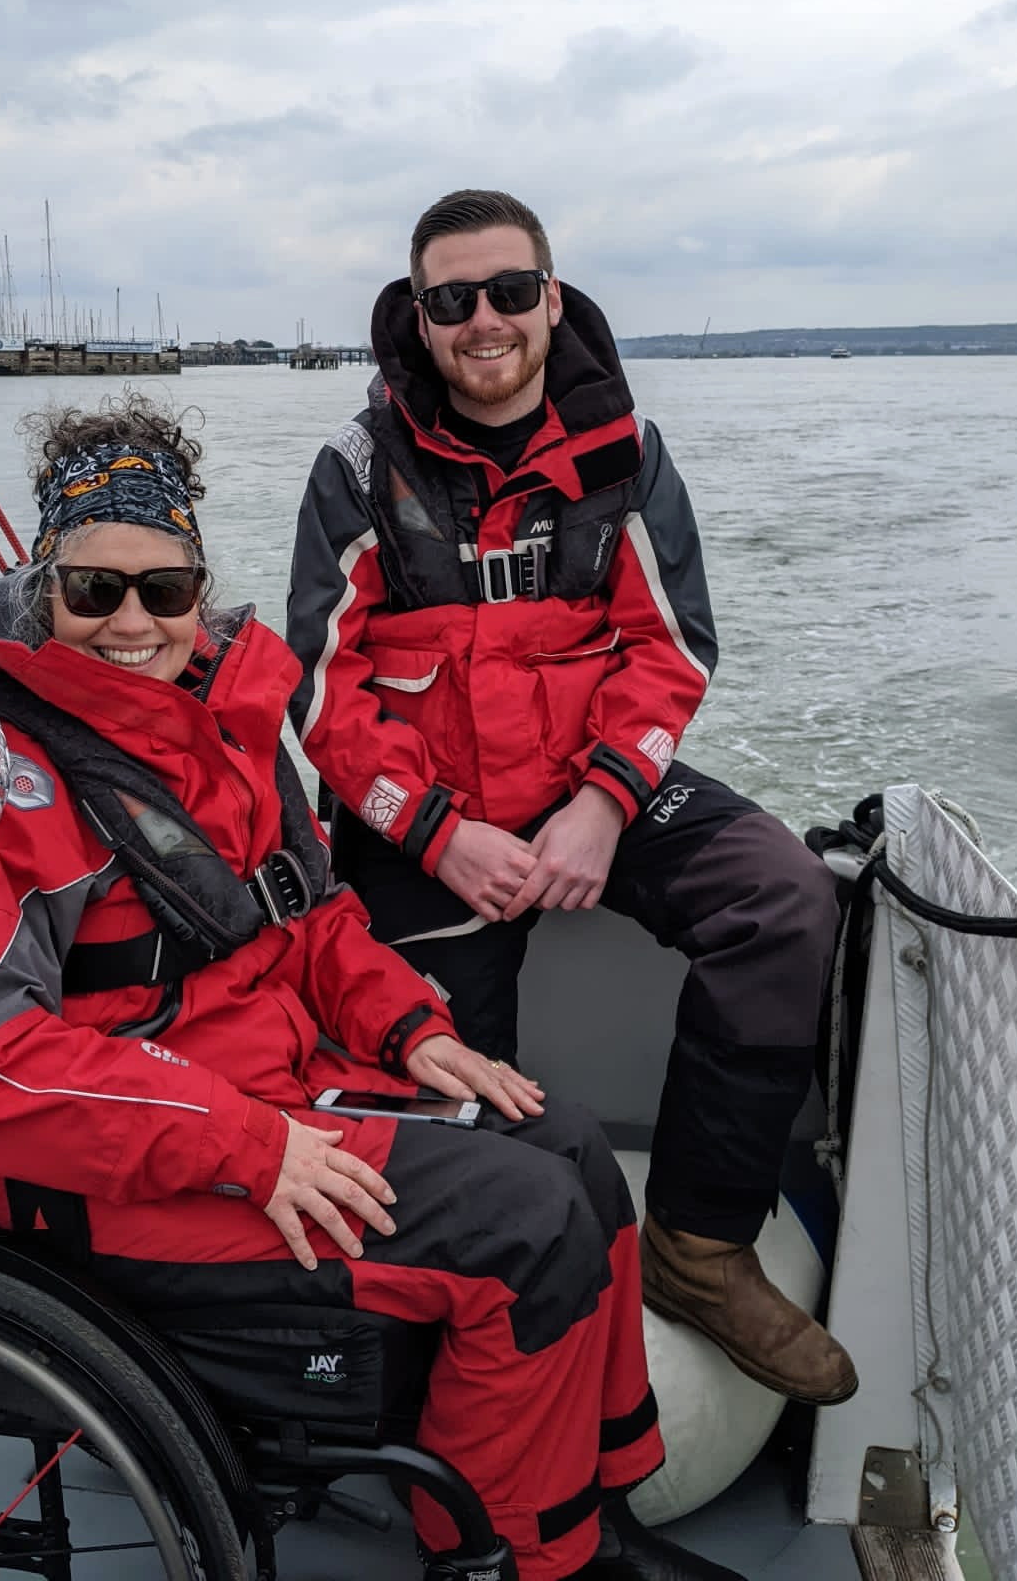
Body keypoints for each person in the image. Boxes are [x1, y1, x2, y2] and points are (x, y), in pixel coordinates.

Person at [0, 394, 742, 1581]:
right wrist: (247, 1145)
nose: (131, 620)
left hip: (273, 1086)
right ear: (44, 590)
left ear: (200, 589)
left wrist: (405, 1028)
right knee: (527, 1230)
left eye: (165, 587)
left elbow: (313, 919)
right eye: (94, 589)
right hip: (120, 1170)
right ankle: (511, 1563)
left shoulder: (227, 724)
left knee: (568, 1147)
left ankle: (588, 1519)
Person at [286, 191, 857, 1408]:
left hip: (590, 792)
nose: (482, 321)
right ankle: (458, 1331)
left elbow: (674, 646)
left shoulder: (627, 452)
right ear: (419, 318)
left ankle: (700, 1247)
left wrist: (602, 804)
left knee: (785, 900)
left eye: (506, 292)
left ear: (551, 299)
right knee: (442, 1081)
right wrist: (437, 835)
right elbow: (320, 696)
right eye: (452, 301)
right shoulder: (356, 470)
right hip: (425, 828)